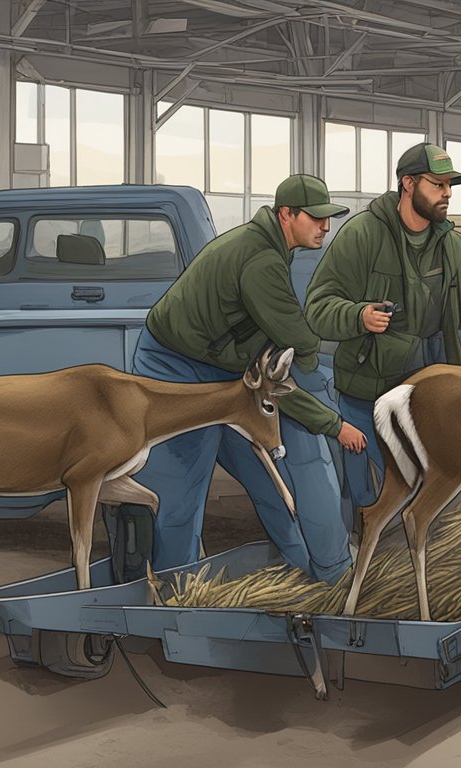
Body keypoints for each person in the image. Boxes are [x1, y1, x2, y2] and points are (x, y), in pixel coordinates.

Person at [133, 174, 366, 583]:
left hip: (227, 370)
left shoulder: (274, 251)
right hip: (178, 369)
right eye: (315, 218)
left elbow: (274, 360)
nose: (325, 227)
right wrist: (332, 418)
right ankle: (177, 593)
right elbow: (297, 345)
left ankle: (309, 576)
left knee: (267, 477)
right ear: (286, 215)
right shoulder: (260, 260)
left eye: (327, 219)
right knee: (184, 488)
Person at [305, 142, 461, 510]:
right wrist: (358, 316)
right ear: (408, 184)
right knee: (363, 497)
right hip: (369, 394)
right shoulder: (362, 235)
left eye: (449, 186)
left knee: (424, 490)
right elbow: (317, 307)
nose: (447, 194)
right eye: (437, 184)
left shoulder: (453, 246)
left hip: (431, 394)